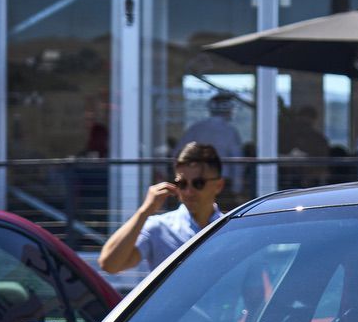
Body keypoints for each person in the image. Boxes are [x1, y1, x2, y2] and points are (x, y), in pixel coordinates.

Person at [98, 142, 226, 275]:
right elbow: (109, 265)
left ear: (219, 185)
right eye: (181, 183)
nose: (188, 192)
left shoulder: (232, 229)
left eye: (198, 183)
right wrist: (144, 211)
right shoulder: (158, 228)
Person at [180, 92, 248, 199]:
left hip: (196, 180)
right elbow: (237, 161)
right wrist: (237, 188)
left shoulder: (196, 128)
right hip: (221, 183)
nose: (233, 111)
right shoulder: (229, 131)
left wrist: (182, 179)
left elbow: (178, 153)